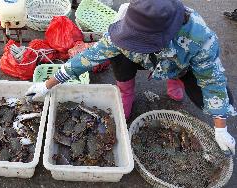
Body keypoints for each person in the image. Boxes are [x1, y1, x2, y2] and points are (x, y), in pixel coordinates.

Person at [26, 0, 236, 155]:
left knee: (217, 96)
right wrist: (48, 84)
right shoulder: (127, 24)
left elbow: (212, 81)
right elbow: (89, 57)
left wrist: (221, 128)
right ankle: (125, 92)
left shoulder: (201, 37)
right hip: (140, 60)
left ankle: (176, 78)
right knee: (118, 55)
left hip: (182, 65)